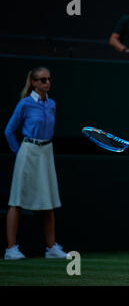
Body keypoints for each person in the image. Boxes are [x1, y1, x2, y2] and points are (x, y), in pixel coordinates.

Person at [3, 67, 67, 260]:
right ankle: (11, 249)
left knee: (49, 201)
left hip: (46, 152)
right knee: (17, 200)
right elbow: (9, 131)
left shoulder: (52, 104)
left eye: (49, 79)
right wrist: (20, 152)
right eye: (43, 80)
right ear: (34, 82)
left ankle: (51, 248)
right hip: (28, 150)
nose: (47, 83)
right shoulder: (25, 104)